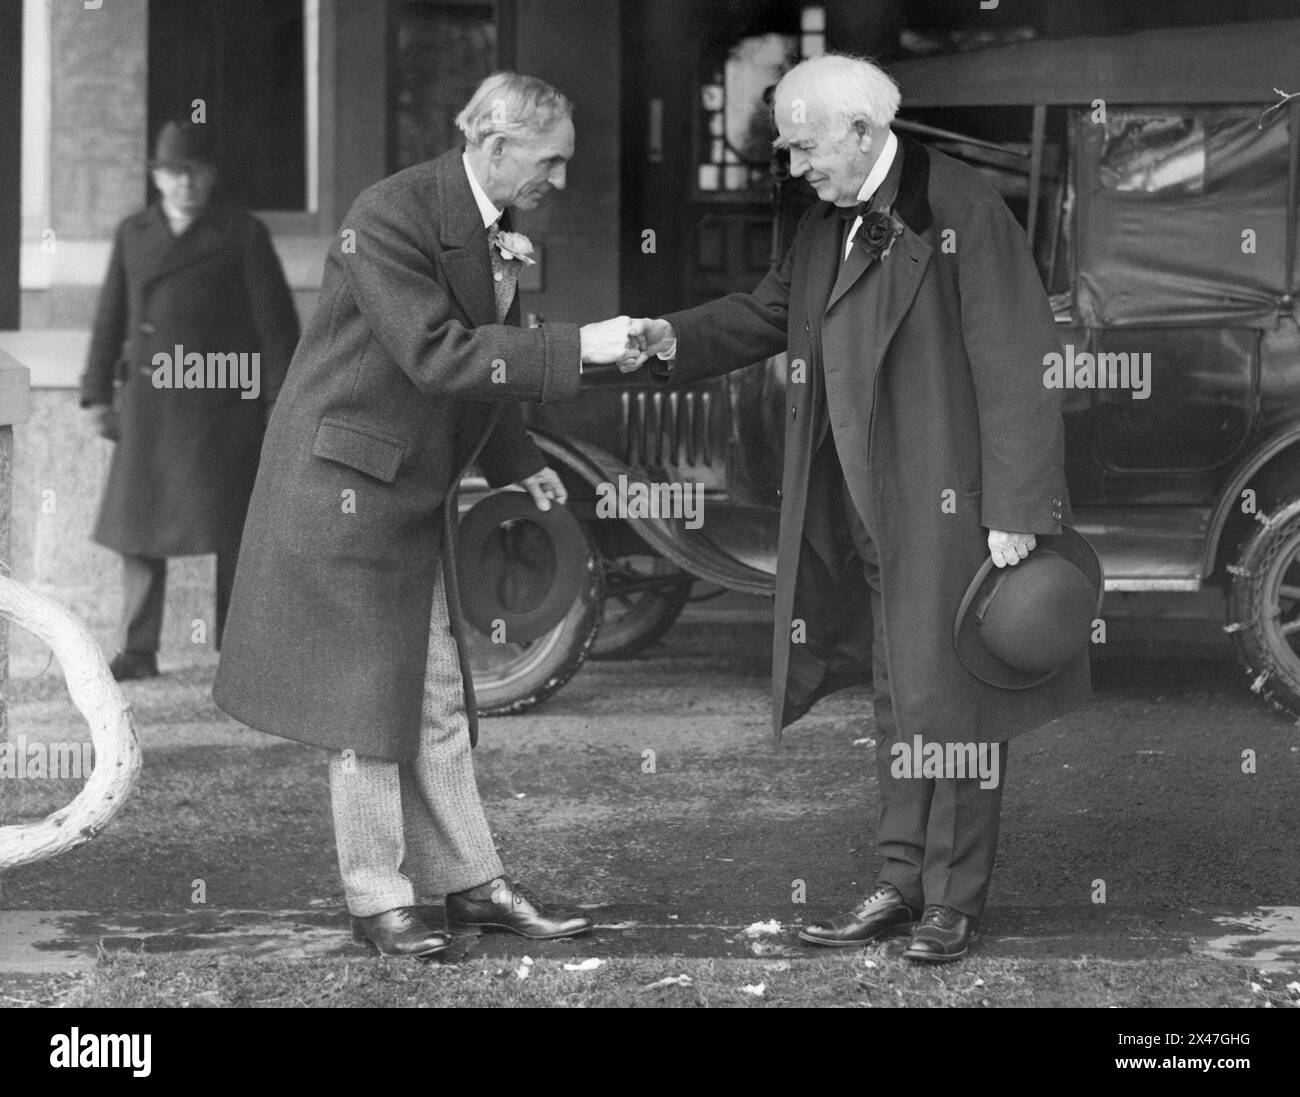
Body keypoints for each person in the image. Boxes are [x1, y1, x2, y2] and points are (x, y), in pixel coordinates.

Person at [624, 54, 1090, 962]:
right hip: (859, 507)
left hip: (950, 506)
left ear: (863, 134)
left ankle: (953, 899)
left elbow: (1020, 363)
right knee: (897, 694)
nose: (794, 167)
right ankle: (900, 878)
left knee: (960, 697)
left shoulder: (958, 209)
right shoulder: (822, 219)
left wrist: (1017, 507)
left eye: (804, 148)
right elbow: (767, 313)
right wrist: (667, 336)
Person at [213, 73, 636, 957]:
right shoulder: (393, 213)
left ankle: (469, 883)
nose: (558, 179)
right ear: (495, 145)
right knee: (365, 704)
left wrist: (519, 461)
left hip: (400, 490)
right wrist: (581, 346)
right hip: (345, 488)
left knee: (439, 692)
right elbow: (437, 356)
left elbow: (478, 372)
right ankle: (377, 902)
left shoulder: (493, 228)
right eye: (550, 161)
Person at [80, 120, 300, 681]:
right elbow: (111, 317)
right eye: (174, 174)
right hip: (150, 406)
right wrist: (94, 393)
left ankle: (239, 647)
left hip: (224, 404)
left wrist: (279, 408)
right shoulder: (133, 233)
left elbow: (277, 330)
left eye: (196, 174)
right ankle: (137, 648)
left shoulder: (243, 235)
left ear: (212, 177)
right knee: (139, 527)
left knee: (235, 529)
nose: (185, 186)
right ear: (156, 178)